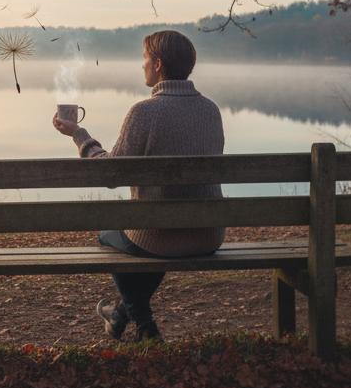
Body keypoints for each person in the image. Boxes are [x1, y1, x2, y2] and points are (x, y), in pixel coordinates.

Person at [51, 30, 225, 342]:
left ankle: (145, 326)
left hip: (160, 237)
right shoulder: (211, 110)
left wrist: (79, 135)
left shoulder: (144, 112)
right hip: (208, 233)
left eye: (144, 58)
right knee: (153, 235)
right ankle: (120, 315)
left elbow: (110, 175)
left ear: (158, 64)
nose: (141, 64)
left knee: (110, 236)